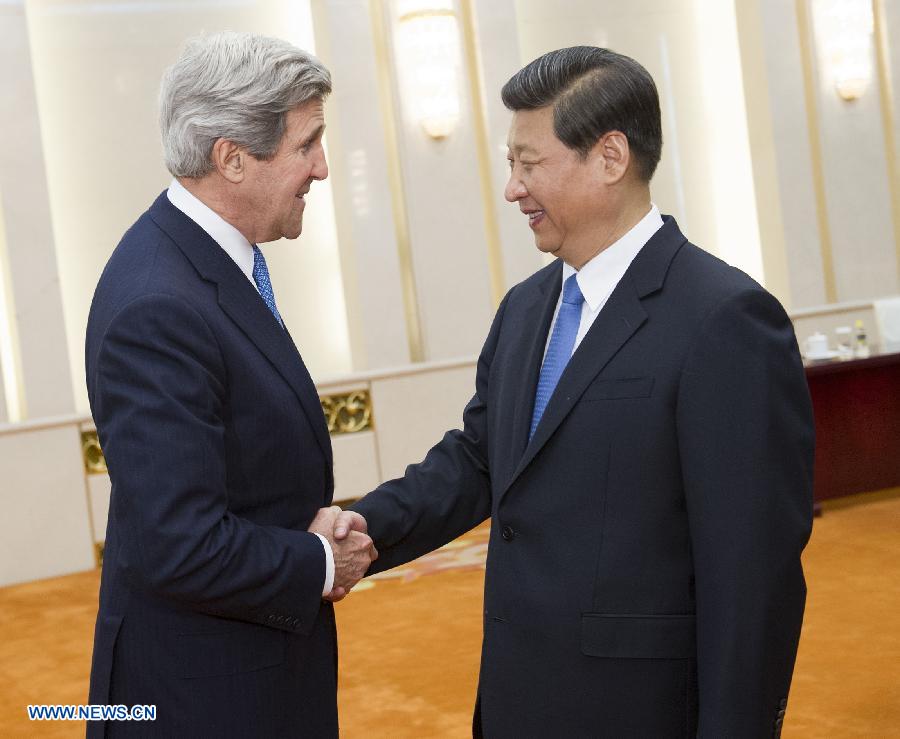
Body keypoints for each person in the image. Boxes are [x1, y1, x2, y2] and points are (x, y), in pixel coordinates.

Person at [335, 46, 814, 737]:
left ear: (611, 157)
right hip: (516, 699)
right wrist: (365, 528)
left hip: (640, 710)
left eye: (530, 165)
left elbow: (752, 574)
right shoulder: (526, 309)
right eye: (510, 165)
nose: (512, 189)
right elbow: (480, 459)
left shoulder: (724, 319)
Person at [84, 32, 376, 737]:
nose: (324, 168)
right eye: (308, 144)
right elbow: (179, 544)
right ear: (232, 157)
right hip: (199, 703)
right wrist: (317, 557)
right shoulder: (160, 302)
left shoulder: (196, 265)